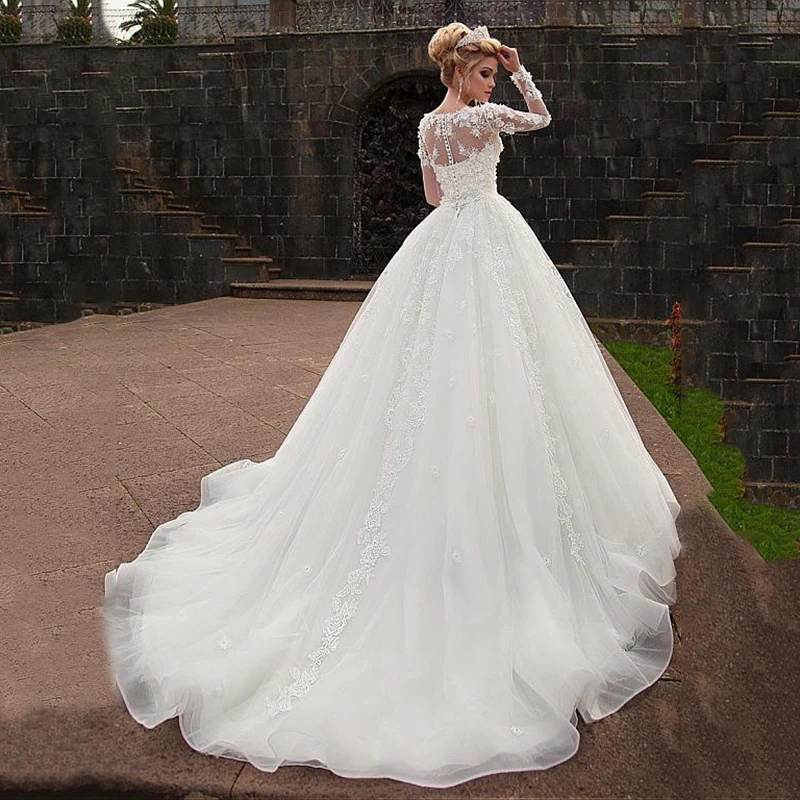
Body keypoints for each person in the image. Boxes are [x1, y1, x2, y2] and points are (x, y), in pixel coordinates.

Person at [103, 22, 682, 789]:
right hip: (489, 243)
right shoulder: (483, 117)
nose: (488, 83)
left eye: (491, 74)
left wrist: (478, 138)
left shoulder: (427, 124)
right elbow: (540, 119)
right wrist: (523, 72)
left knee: (426, 379)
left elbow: (434, 195)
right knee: (508, 375)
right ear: (466, 70)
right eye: (482, 72)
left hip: (441, 244)